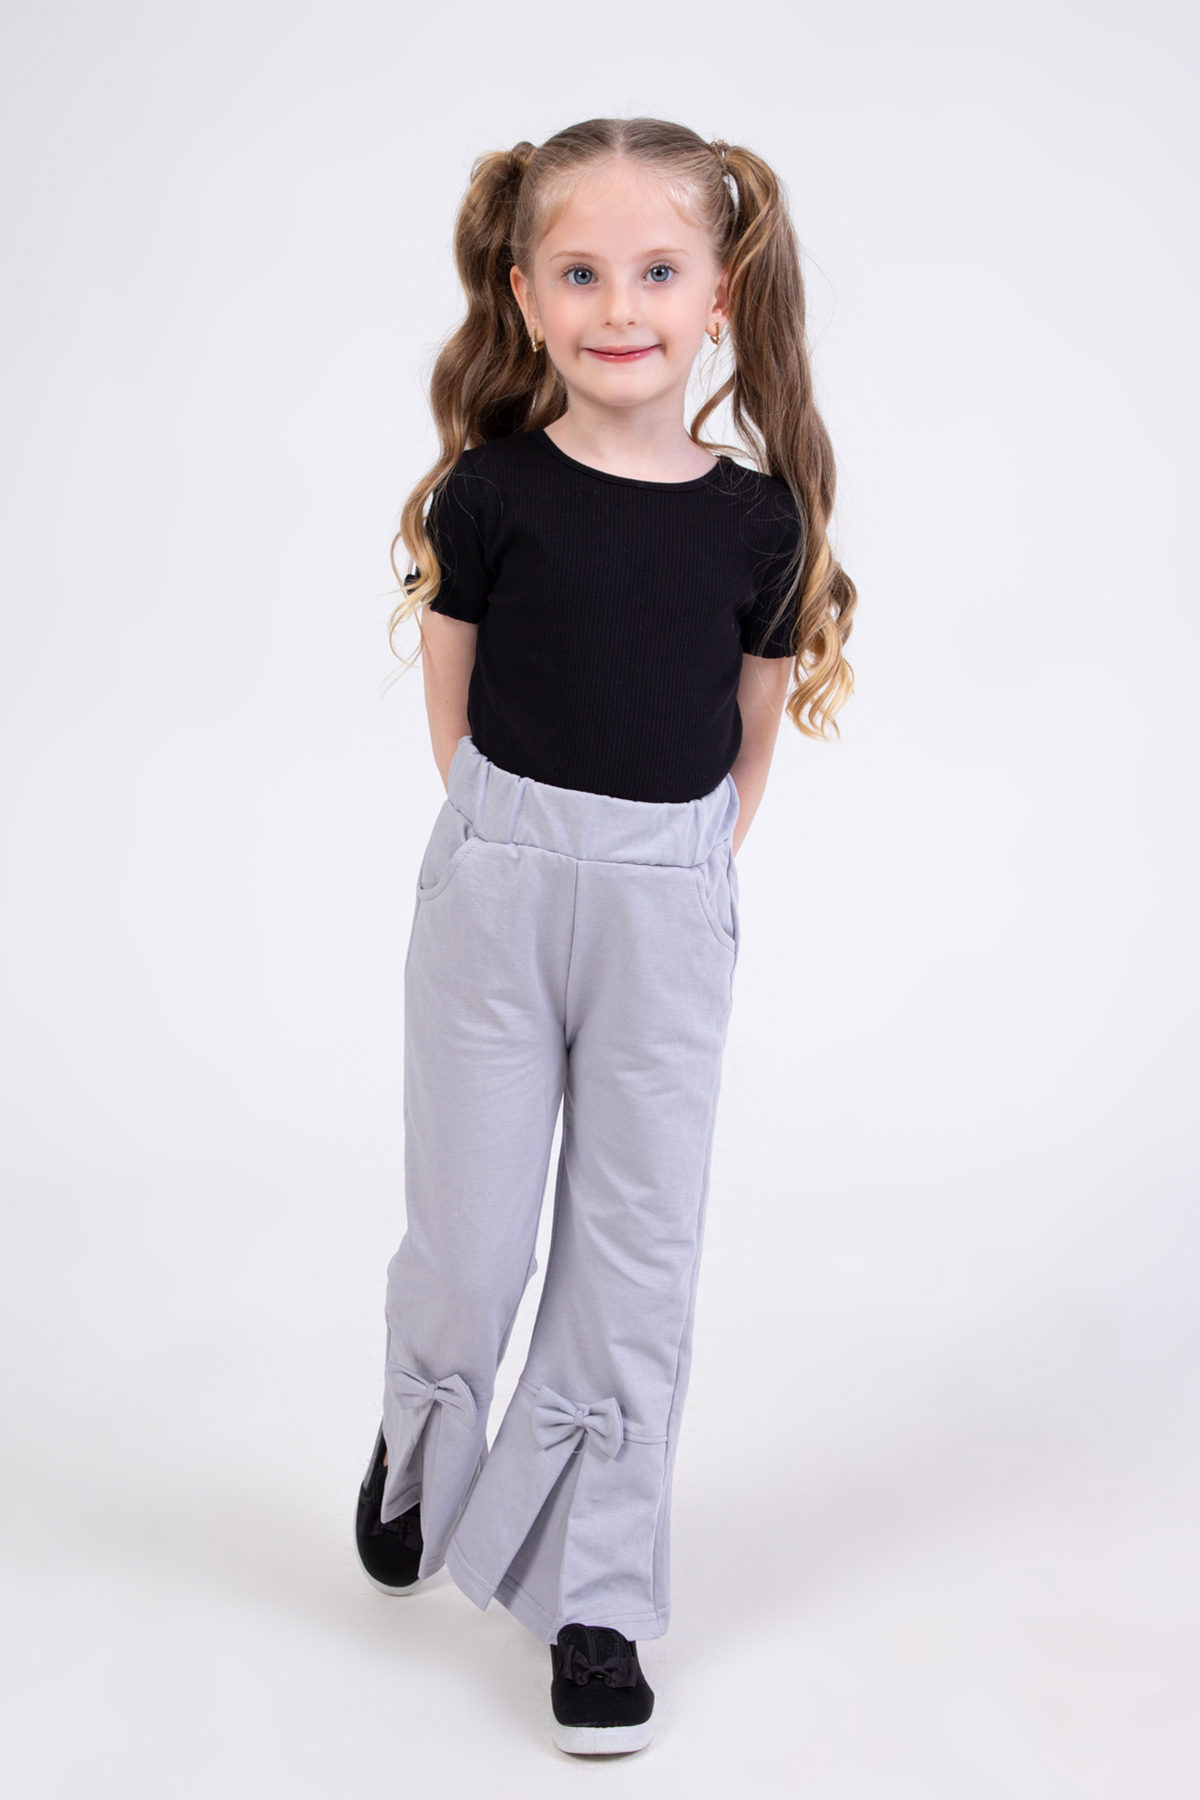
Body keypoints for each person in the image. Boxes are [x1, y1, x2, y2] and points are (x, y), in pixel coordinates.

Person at [355, 115, 856, 1756]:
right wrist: (508, 839)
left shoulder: (759, 524)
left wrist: (672, 869)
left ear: (721, 297)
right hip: (497, 885)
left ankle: (599, 1593)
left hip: (666, 905)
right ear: (523, 295)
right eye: (579, 272)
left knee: (635, 1260)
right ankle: (423, 1443)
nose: (619, 305)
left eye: (656, 271)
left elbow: (751, 730)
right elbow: (454, 699)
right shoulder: (493, 490)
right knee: (473, 1238)